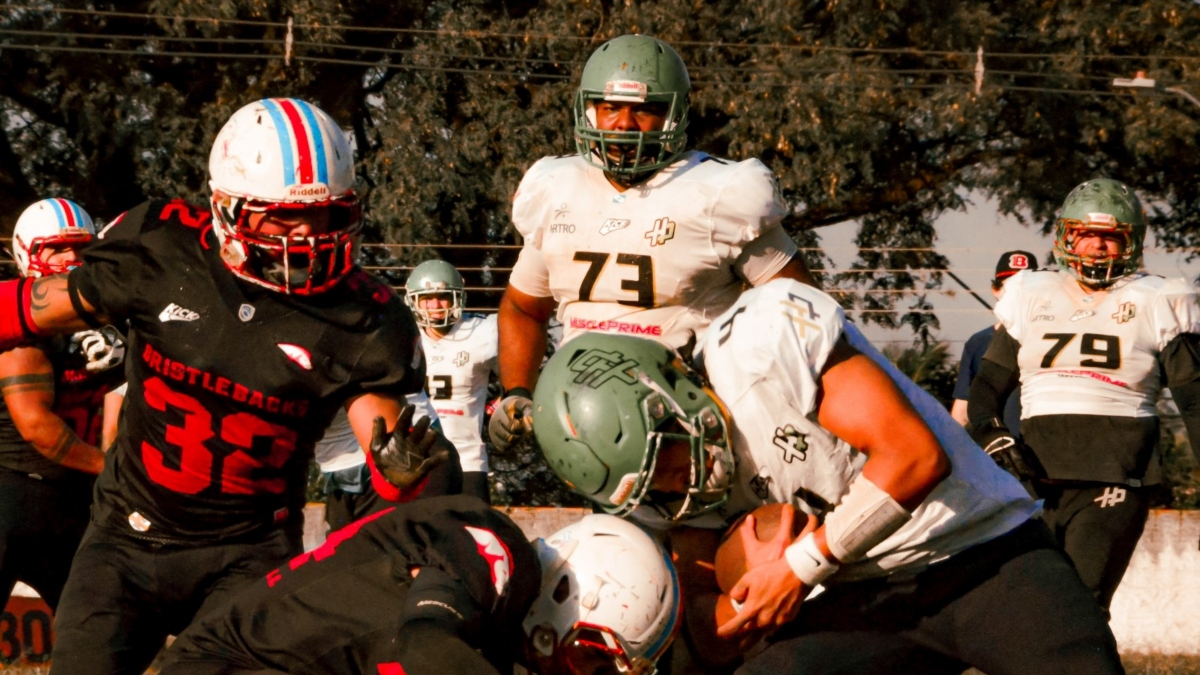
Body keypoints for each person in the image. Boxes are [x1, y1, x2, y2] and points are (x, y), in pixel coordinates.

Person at [0, 98, 460, 675]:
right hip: (125, 540)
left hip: (247, 556)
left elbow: (396, 451)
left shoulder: (363, 319)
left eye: (324, 214)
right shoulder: (162, 250)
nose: (307, 233)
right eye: (280, 215)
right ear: (226, 208)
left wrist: (399, 481)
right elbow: (29, 309)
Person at [531, 278, 1124, 674]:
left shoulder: (760, 341)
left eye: (667, 456)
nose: (675, 481)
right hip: (866, 599)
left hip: (984, 556)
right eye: (653, 484)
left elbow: (914, 457)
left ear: (673, 389)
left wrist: (797, 565)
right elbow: (710, 626)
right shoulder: (672, 491)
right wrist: (724, 613)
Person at [489, 33, 815, 451]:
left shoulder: (718, 193)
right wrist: (517, 391)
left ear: (674, 116)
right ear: (588, 111)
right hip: (587, 427)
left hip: (697, 423)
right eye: (610, 108)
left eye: (645, 109)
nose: (624, 123)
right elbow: (522, 308)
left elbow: (805, 313)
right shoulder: (557, 190)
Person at [968, 177, 1200, 613]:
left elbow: (1195, 404)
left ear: (1130, 243)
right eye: (1086, 234)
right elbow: (986, 388)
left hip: (1113, 476)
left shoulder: (1157, 299)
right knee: (1029, 614)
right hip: (1034, 480)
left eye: (1109, 237)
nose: (1096, 247)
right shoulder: (1032, 292)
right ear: (1065, 236)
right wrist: (991, 433)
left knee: (1079, 608)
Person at [154, 497, 680, 675]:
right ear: (568, 597)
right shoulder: (500, 553)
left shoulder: (495, 633)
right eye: (594, 662)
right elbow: (426, 641)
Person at [0, 198, 124, 611]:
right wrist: (107, 469)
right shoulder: (21, 318)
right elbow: (35, 424)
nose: (72, 257)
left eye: (81, 246)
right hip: (13, 488)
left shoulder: (106, 314)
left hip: (71, 494)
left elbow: (116, 396)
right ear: (27, 253)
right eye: (56, 247)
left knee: (93, 625)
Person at [404, 259, 499, 501]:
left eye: (443, 296)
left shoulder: (481, 332)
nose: (435, 305)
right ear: (413, 301)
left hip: (468, 462)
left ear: (458, 297)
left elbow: (521, 362)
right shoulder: (402, 336)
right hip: (414, 464)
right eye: (427, 298)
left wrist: (505, 401)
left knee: (473, 537)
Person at [949, 250, 1037, 434]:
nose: (1017, 292)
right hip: (997, 449)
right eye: (1009, 285)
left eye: (1026, 284)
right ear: (995, 290)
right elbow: (963, 406)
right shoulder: (979, 342)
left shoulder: (1052, 337)